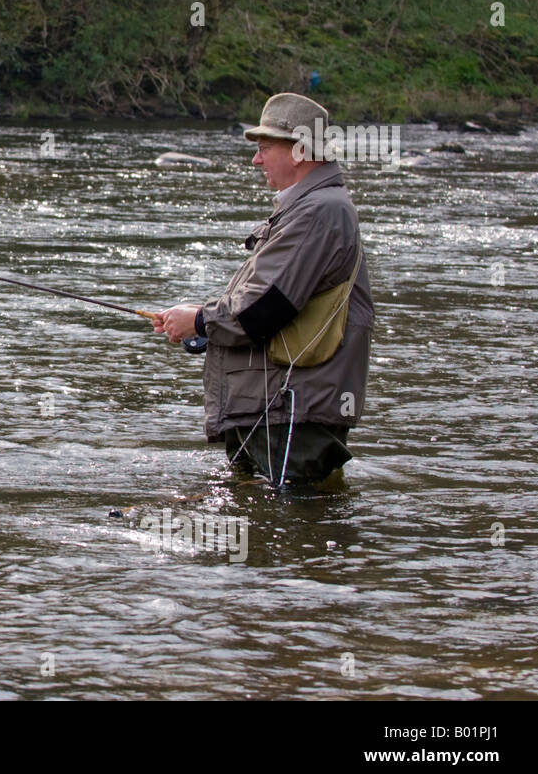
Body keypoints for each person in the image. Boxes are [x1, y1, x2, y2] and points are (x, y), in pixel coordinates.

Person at [152, 93, 374, 486]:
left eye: (265, 148)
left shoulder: (320, 212)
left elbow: (263, 310)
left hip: (290, 412)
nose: (256, 160)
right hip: (274, 410)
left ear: (302, 150)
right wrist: (201, 319)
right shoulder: (311, 208)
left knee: (297, 532)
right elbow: (268, 303)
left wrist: (200, 321)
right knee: (264, 526)